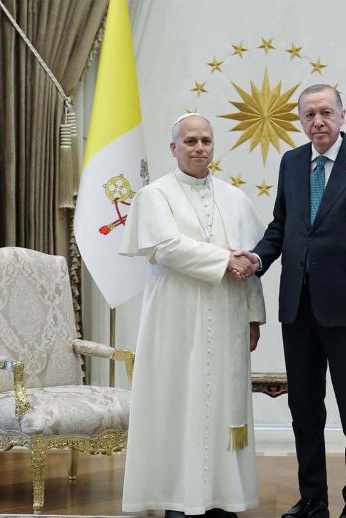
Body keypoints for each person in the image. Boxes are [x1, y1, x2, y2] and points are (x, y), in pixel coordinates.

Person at [240, 85, 346, 518]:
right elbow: (282, 227)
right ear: (301, 120)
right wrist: (256, 259)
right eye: (309, 115)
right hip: (299, 307)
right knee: (304, 407)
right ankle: (312, 499)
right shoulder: (292, 162)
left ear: (342, 115)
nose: (318, 122)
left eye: (326, 112)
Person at [120, 113, 263, 518]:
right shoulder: (155, 196)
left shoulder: (236, 198)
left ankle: (224, 498)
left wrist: (254, 316)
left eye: (206, 141)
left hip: (228, 315)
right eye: (190, 141)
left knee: (223, 406)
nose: (199, 148)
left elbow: (251, 263)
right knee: (178, 404)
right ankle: (180, 499)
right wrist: (226, 260)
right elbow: (166, 247)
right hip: (175, 320)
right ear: (174, 148)